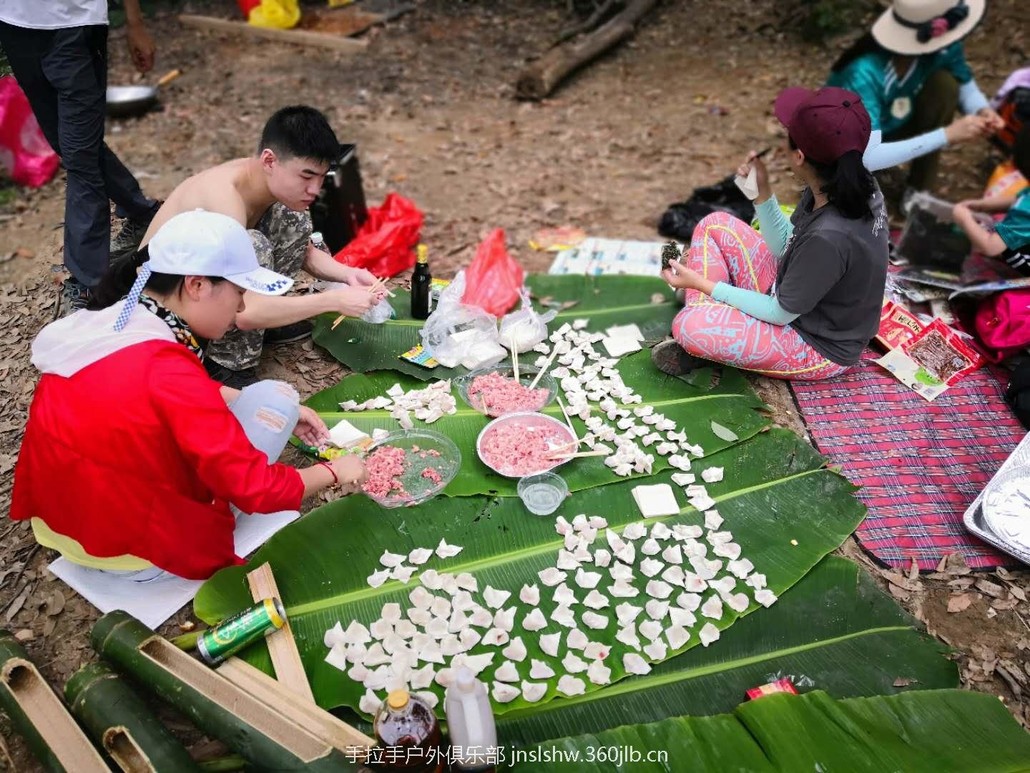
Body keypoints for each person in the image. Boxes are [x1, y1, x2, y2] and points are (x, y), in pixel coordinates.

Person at [10, 210, 367, 581]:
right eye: (239, 293)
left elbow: (144, 395)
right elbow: (255, 489)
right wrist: (335, 470)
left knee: (263, 405)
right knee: (275, 399)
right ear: (197, 285)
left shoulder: (119, 320)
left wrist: (226, 395)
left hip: (62, 525)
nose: (242, 307)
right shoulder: (172, 372)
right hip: (135, 554)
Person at [136, 105, 383, 389]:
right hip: (161, 309)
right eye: (306, 176)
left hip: (209, 293)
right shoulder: (224, 200)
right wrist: (332, 302)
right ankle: (226, 363)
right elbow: (245, 312)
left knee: (295, 218)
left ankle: (269, 322)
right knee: (252, 247)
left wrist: (348, 275)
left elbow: (305, 252)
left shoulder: (267, 182)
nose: (315, 189)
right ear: (269, 160)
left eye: (320, 177)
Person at [653, 87, 889, 381]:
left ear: (799, 156)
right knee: (714, 224)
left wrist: (701, 283)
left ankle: (701, 311)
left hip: (815, 342)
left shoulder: (829, 236)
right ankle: (708, 308)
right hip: (796, 293)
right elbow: (788, 248)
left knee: (690, 326)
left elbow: (780, 313)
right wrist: (761, 194)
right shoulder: (841, 184)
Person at [0, 0, 162, 314]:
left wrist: (135, 23)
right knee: (70, 146)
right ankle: (142, 210)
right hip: (15, 26)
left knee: (79, 157)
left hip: (74, 26)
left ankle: (92, 284)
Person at [826, 0, 1004, 195]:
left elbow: (964, 84)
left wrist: (983, 110)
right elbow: (868, 154)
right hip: (850, 145)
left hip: (892, 123)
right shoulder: (864, 72)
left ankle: (918, 191)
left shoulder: (943, 47)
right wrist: (947, 135)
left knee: (944, 85)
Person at [952, 125, 1030, 275]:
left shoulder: (1025, 212)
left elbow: (990, 247)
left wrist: (964, 219)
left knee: (991, 240)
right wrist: (983, 205)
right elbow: (1019, 198)